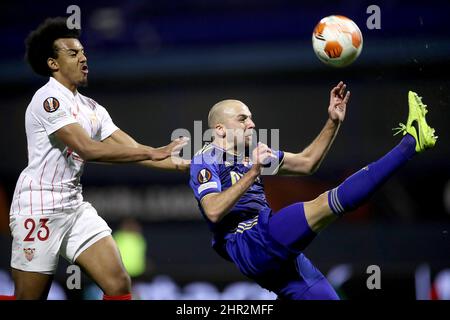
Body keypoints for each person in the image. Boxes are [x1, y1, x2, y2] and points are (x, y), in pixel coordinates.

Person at [189, 82, 437, 300]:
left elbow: (308, 162)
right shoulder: (206, 159)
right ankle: (411, 142)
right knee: (326, 203)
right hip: (249, 240)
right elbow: (212, 210)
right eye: (242, 119)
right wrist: (254, 172)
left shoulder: (252, 156)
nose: (252, 124)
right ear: (220, 129)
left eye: (251, 117)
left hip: (271, 247)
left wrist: (332, 122)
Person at [7, 17, 189, 300]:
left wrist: (185, 165)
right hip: (38, 208)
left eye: (83, 52)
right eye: (73, 53)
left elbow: (135, 150)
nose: (83, 58)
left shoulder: (92, 108)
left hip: (73, 206)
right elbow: (87, 149)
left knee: (118, 283)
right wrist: (154, 151)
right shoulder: (48, 100)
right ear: (53, 63)